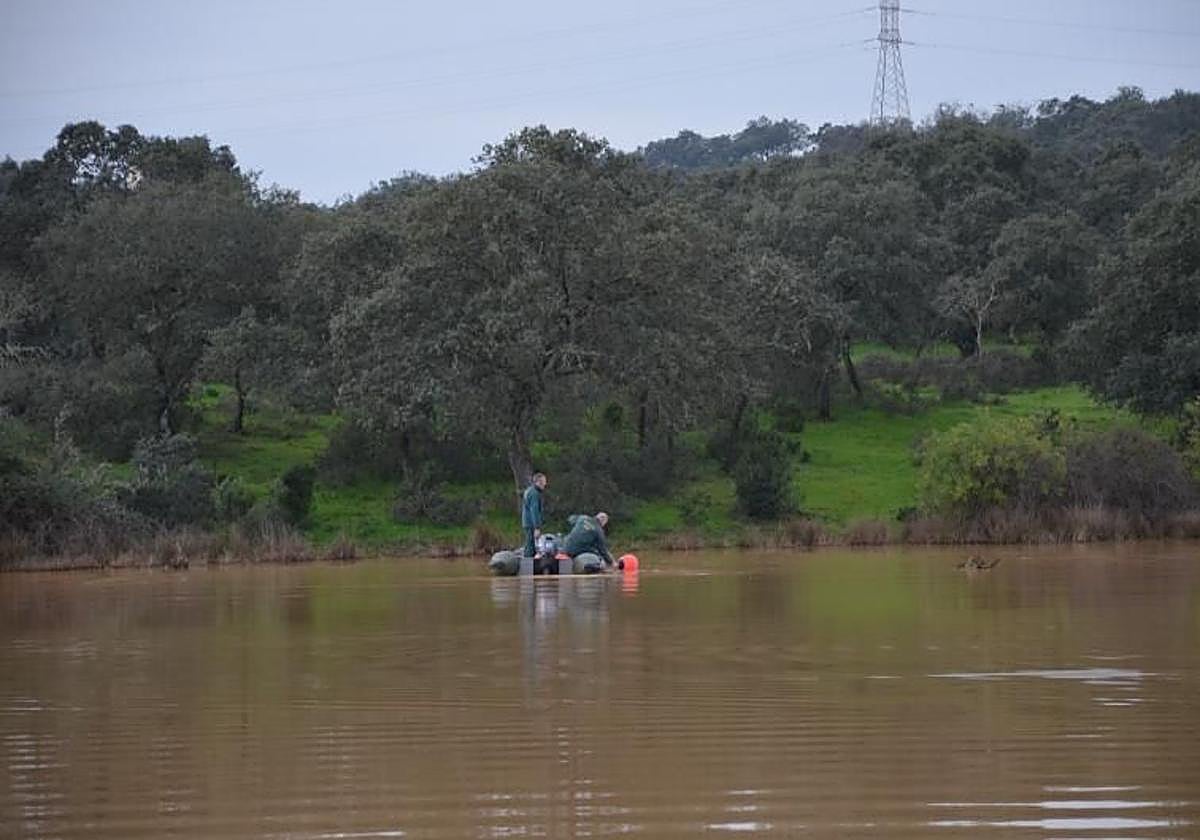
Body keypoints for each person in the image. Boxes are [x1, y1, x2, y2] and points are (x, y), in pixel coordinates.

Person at [521, 472, 547, 559]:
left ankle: (530, 564)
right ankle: (528, 567)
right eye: (543, 481)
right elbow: (534, 511)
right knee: (530, 546)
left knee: (530, 544)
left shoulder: (529, 490)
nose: (545, 484)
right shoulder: (534, 494)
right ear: (538, 482)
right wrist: (537, 527)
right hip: (531, 524)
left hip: (527, 522)